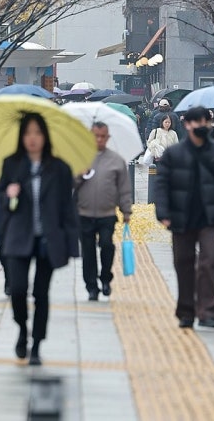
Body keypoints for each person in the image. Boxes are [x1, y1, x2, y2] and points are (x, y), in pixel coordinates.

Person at [0, 113, 79, 365]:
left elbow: (67, 208)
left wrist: (71, 245)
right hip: (18, 236)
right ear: (22, 136)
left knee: (41, 293)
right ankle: (22, 329)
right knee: (18, 289)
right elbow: (1, 201)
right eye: (28, 133)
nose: (32, 138)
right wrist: (8, 195)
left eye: (37, 132)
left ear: (45, 136)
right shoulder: (12, 164)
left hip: (47, 239)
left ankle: (37, 344)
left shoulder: (59, 168)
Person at [154, 106, 214, 329]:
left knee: (210, 261)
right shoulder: (174, 154)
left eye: (204, 122)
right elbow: (162, 185)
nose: (201, 126)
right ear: (187, 125)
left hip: (210, 217)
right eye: (196, 122)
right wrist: (162, 212)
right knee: (183, 263)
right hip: (181, 217)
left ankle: (209, 312)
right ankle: (186, 311)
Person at [76, 122, 133, 301]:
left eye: (103, 136)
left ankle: (106, 277)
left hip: (107, 213)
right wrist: (79, 175)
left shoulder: (116, 160)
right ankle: (91, 286)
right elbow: (68, 183)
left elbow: (124, 188)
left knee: (107, 245)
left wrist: (126, 210)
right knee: (88, 251)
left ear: (108, 138)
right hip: (84, 213)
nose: (99, 140)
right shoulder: (80, 158)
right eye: (96, 136)